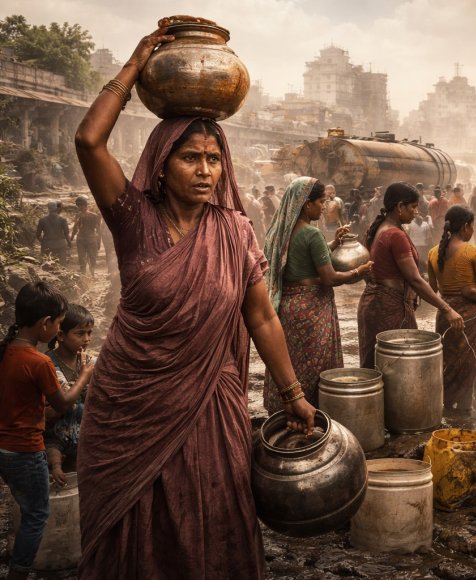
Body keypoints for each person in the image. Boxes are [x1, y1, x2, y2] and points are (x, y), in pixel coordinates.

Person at [73, 23, 315, 579]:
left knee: (215, 514)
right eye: (191, 158)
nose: (206, 170)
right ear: (162, 163)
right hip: (131, 403)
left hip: (211, 400)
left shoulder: (235, 230)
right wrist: (136, 64)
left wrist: (293, 394)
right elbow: (89, 141)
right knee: (134, 529)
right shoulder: (133, 219)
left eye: (214, 159)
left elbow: (260, 316)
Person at [0, 282, 91, 580]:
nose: (59, 331)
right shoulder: (39, 362)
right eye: (60, 325)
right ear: (45, 324)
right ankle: (18, 573)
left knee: (27, 507)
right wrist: (86, 375)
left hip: (6, 449)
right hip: (27, 450)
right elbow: (64, 403)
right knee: (37, 516)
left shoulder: (8, 353)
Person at [263, 177, 373, 412]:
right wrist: (358, 271)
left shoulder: (282, 231)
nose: (324, 206)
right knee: (315, 366)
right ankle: (312, 411)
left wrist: (333, 243)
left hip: (289, 305)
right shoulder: (312, 234)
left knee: (293, 361)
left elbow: (306, 257)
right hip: (312, 309)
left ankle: (286, 409)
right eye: (321, 201)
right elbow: (330, 278)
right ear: (306, 204)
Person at [357, 182, 463, 369]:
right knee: (397, 370)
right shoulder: (395, 235)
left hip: (374, 305)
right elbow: (415, 279)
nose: (416, 212)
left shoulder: (378, 228)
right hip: (389, 310)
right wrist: (447, 309)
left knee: (376, 367)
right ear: (399, 207)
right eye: (413, 207)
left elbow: (370, 271)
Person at [428, 206, 476, 413]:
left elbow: (433, 290)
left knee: (448, 362)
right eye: (472, 226)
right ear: (466, 226)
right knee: (470, 363)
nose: (473, 230)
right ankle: (465, 409)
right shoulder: (473, 251)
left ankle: (447, 405)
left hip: (445, 315)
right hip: (471, 316)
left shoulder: (433, 252)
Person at [45, 304, 94, 486]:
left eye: (89, 333)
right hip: (56, 432)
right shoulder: (49, 363)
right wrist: (84, 379)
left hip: (82, 432)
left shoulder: (89, 362)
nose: (87, 339)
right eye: (80, 334)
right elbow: (62, 399)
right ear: (60, 335)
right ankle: (56, 469)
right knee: (53, 451)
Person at [71, 196, 102, 276]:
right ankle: (90, 273)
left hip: (82, 239)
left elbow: (75, 228)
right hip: (90, 239)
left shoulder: (78, 215)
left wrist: (71, 238)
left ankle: (85, 274)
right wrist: (99, 241)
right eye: (79, 205)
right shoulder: (94, 215)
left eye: (80, 205)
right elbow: (98, 230)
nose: (80, 207)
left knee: (82, 257)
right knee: (91, 257)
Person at [35, 200, 71, 265]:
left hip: (47, 244)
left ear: (48, 208)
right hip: (61, 244)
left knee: (46, 264)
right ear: (56, 208)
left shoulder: (42, 220)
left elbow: (38, 235)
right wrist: (69, 243)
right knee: (62, 264)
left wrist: (43, 242)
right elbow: (66, 233)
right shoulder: (62, 219)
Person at [409, 202, 435, 274]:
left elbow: (429, 237)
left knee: (419, 260)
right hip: (419, 245)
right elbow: (429, 237)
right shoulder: (412, 224)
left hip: (418, 245)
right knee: (421, 260)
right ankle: (421, 273)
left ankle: (420, 273)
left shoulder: (413, 224)